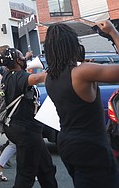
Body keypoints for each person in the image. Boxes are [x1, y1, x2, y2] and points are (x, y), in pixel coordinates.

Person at [44, 21, 119, 186]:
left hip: (66, 143)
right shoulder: (82, 72)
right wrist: (113, 32)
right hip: (91, 146)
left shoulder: (49, 77)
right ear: (72, 44)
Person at [0, 47, 57, 188]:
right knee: (26, 174)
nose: (24, 58)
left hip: (22, 129)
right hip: (26, 131)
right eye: (21, 57)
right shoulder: (20, 76)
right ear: (17, 61)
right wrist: (56, 67)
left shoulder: (7, 75)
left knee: (46, 168)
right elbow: (37, 78)